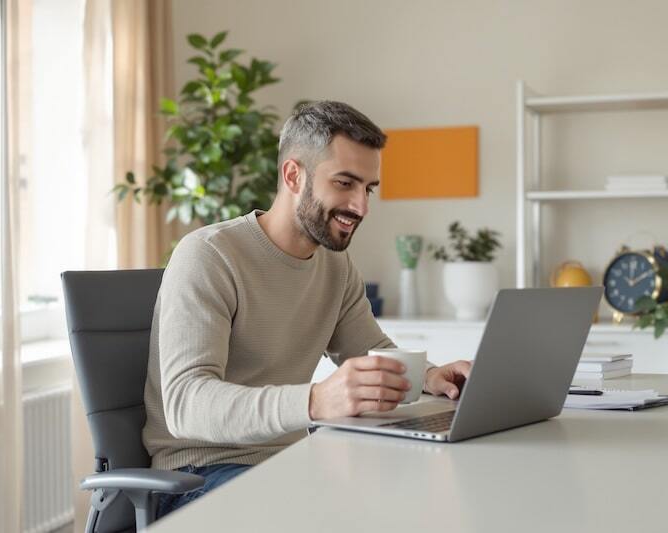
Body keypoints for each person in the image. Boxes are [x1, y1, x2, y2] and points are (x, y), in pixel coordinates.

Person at [142, 101, 472, 518]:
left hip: (291, 463)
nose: (361, 207)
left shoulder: (335, 265)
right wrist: (314, 401)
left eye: (368, 188)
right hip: (198, 477)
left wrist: (430, 377)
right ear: (293, 175)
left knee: (420, 500)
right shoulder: (210, 256)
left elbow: (367, 348)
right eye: (345, 183)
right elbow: (186, 404)